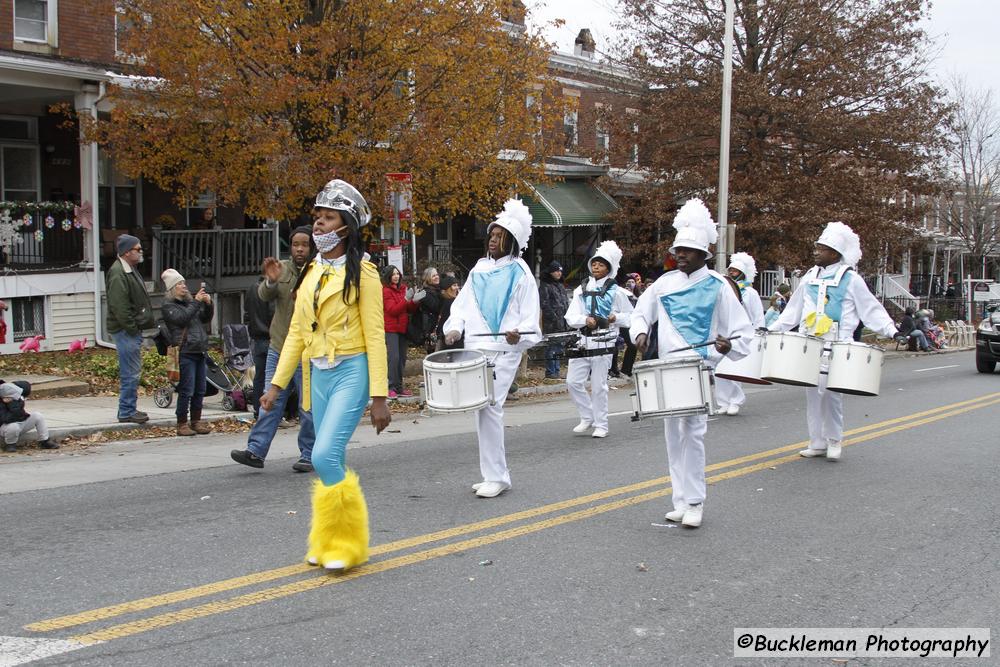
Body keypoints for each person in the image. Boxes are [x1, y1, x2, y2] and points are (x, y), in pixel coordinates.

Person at [260, 179, 391, 572]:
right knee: (330, 459)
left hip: (352, 370)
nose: (317, 225)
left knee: (323, 455)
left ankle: (347, 545)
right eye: (316, 217)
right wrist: (276, 385)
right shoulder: (312, 272)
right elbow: (299, 333)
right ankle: (326, 538)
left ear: (344, 228)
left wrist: (380, 397)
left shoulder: (364, 274)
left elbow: (376, 335)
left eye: (327, 217)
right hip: (317, 375)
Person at [630, 199, 753, 528]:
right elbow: (641, 313)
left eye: (687, 250)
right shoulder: (664, 283)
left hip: (699, 370)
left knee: (694, 434)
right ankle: (679, 499)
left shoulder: (718, 286)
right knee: (673, 435)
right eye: (678, 250)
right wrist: (641, 333)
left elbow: (742, 333)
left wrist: (728, 345)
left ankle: (695, 501)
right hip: (668, 370)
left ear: (703, 255)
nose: (680, 255)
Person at [769, 221, 902, 461]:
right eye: (816, 247)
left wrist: (892, 330)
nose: (816, 252)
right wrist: (770, 328)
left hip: (838, 345)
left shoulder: (851, 279)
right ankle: (816, 441)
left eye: (821, 248)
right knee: (812, 394)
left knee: (831, 395)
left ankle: (834, 440)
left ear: (834, 253)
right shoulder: (809, 276)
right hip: (809, 344)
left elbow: (871, 309)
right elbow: (793, 310)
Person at [443, 199, 542, 498]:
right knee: (481, 410)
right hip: (476, 348)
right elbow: (462, 306)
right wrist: (454, 328)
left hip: (503, 351)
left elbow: (530, 319)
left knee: (490, 407)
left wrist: (519, 336)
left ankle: (498, 476)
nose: (493, 240)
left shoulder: (521, 271)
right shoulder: (479, 268)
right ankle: (493, 474)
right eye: (492, 235)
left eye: (500, 236)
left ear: (511, 241)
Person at [230, 226, 316, 472]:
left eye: (305, 244)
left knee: (306, 406)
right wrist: (270, 280)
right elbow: (264, 296)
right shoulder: (283, 269)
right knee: (270, 399)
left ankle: (309, 454)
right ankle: (255, 451)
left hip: (307, 351)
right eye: (296, 244)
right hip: (280, 347)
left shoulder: (319, 270)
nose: (300, 249)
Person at [563, 241, 633, 438]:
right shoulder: (580, 289)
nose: (597, 268)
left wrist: (614, 318)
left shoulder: (617, 292)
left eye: (601, 265)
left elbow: (631, 316)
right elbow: (570, 316)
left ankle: (602, 424)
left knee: (599, 386)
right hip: (583, 339)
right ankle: (587, 416)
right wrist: (584, 320)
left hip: (604, 341)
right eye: (594, 264)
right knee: (573, 382)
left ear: (609, 268)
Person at [106, 234, 154, 424]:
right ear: (126, 252)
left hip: (130, 329)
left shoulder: (129, 269)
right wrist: (133, 329)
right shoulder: (119, 272)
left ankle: (129, 408)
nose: (141, 252)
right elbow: (120, 306)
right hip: (125, 331)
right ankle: (126, 411)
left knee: (132, 371)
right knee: (130, 372)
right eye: (137, 249)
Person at [160, 269, 214, 437]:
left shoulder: (190, 303)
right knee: (187, 389)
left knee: (200, 389)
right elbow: (183, 318)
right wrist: (196, 302)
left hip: (199, 350)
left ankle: (196, 421)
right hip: (185, 351)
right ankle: (182, 422)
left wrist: (208, 304)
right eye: (179, 284)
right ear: (172, 289)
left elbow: (204, 319)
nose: (184, 286)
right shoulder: (169, 306)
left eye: (183, 283)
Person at [715, 252, 765, 416]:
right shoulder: (722, 290)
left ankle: (735, 401)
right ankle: (722, 402)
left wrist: (758, 332)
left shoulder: (750, 293)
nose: (731, 273)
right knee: (719, 370)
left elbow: (757, 316)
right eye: (730, 270)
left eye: (735, 271)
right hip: (722, 333)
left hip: (740, 334)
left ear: (742, 273)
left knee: (734, 369)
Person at [381, 264, 420, 398]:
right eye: (393, 274)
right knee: (394, 358)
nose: (396, 276)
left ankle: (399, 387)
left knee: (402, 358)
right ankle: (390, 386)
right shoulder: (386, 291)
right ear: (388, 277)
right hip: (391, 329)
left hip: (402, 328)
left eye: (398, 274)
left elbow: (408, 310)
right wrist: (405, 300)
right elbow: (393, 310)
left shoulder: (403, 289)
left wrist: (414, 301)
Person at [244, 275, 275, 417]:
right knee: (273, 377)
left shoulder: (251, 288)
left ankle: (258, 410)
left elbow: (247, 314)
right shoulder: (270, 290)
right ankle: (273, 412)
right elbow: (273, 313)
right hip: (271, 337)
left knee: (259, 376)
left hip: (257, 338)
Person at [1, 381, 57, 452]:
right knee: (13, 426)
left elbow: (21, 414)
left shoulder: (16, 398)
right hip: (5, 427)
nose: (18, 396)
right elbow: (6, 419)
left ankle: (44, 441)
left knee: (37, 415)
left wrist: (13, 402)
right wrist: (11, 404)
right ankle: (10, 444)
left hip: (19, 422)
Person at [538, 260, 570, 379]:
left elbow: (564, 302)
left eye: (560, 271)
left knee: (559, 346)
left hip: (563, 320)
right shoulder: (545, 285)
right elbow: (544, 304)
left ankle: (556, 370)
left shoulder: (560, 285)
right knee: (552, 346)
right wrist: (554, 317)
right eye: (556, 271)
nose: (558, 273)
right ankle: (551, 371)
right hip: (551, 322)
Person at [435, 275, 462, 351]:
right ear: (447, 289)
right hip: (451, 338)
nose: (457, 288)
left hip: (447, 337)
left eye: (457, 285)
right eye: (454, 285)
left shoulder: (445, 301)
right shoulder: (450, 303)